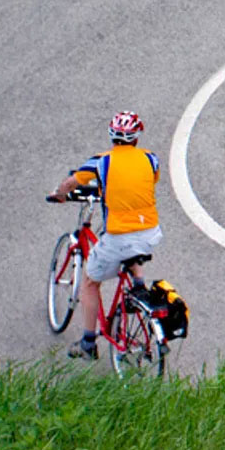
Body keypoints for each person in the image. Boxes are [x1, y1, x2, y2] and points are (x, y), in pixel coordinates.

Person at [50, 112, 162, 360]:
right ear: (136, 137)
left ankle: (88, 343)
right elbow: (149, 180)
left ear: (112, 135)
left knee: (90, 282)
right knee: (131, 248)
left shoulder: (102, 161)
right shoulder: (150, 159)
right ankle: (138, 286)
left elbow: (71, 183)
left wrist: (59, 194)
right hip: (150, 233)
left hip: (120, 235)